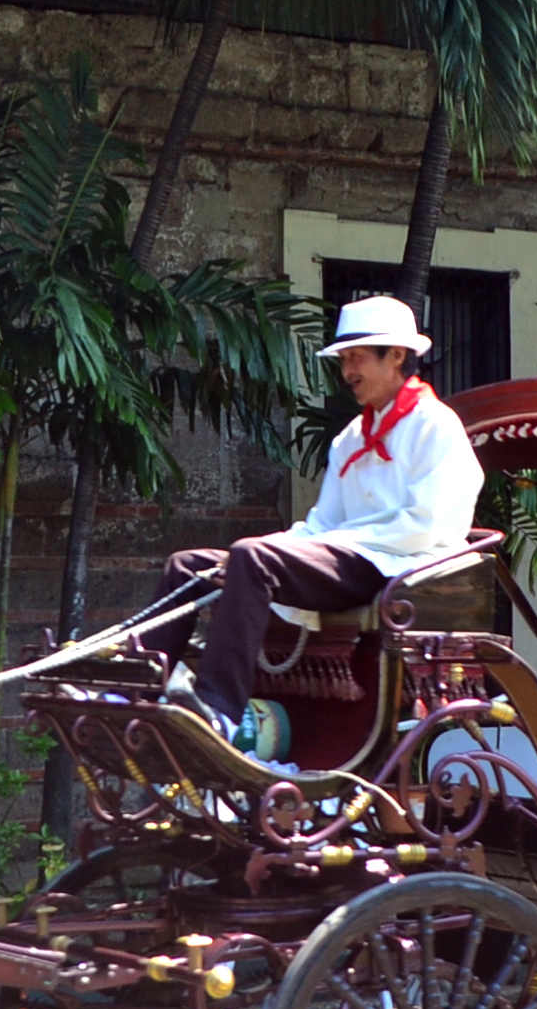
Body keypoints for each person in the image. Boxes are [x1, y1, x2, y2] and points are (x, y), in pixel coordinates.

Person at [157, 294, 484, 740]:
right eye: (344, 360)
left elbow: (426, 525)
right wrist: (285, 546)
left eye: (357, 358)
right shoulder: (350, 438)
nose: (347, 372)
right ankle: (136, 687)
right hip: (348, 558)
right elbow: (322, 524)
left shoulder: (436, 425)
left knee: (252, 557)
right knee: (190, 565)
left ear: (396, 356)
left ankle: (219, 710)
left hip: (400, 566)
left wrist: (323, 544)